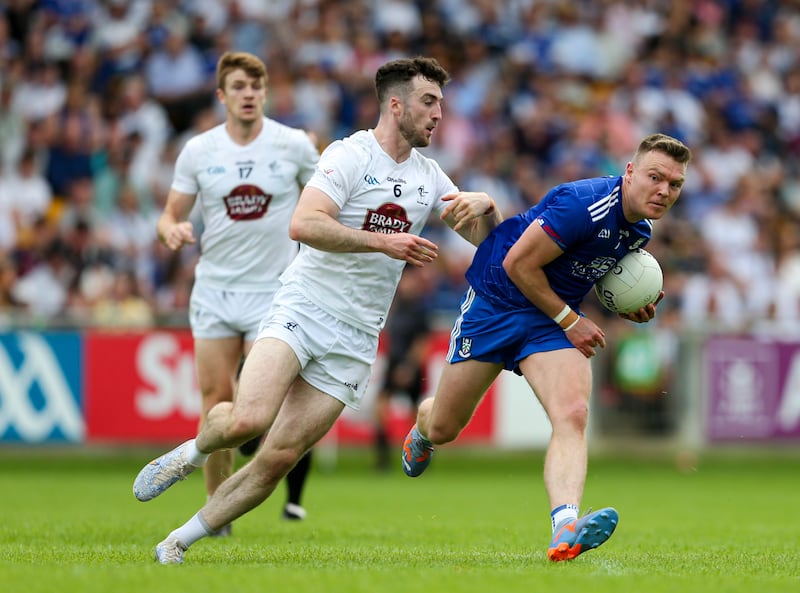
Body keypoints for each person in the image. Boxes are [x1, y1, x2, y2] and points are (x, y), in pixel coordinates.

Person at [132, 56, 502, 564]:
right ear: (396, 105)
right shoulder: (348, 155)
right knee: (247, 420)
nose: (440, 113)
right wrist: (382, 243)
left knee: (278, 458)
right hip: (303, 307)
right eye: (429, 102)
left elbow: (487, 243)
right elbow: (304, 224)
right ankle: (190, 454)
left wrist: (487, 207)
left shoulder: (431, 176)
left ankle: (177, 542)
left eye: (441, 102)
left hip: (355, 337)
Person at [401, 133, 692, 562]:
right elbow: (517, 264)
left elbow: (583, 273)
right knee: (445, 427)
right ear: (629, 173)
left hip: (550, 320)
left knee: (572, 415)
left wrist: (621, 307)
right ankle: (423, 427)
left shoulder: (640, 232)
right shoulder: (584, 203)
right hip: (496, 303)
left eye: (675, 184)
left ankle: (565, 528)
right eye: (655, 177)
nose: (664, 190)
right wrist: (572, 321)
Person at [152, 51, 320, 533]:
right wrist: (171, 231)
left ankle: (255, 461)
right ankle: (216, 510)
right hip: (215, 291)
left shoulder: (292, 145)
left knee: (255, 400)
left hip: (275, 292)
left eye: (256, 86)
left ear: (265, 93)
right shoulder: (199, 151)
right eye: (239, 87)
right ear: (222, 96)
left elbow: (325, 201)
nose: (248, 94)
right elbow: (170, 215)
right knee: (214, 401)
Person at [373, 264, 433, 471]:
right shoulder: (395, 306)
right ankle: (383, 460)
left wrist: (409, 367)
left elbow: (422, 343)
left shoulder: (420, 309)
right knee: (380, 408)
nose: (406, 285)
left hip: (411, 368)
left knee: (418, 415)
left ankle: (420, 455)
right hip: (393, 364)